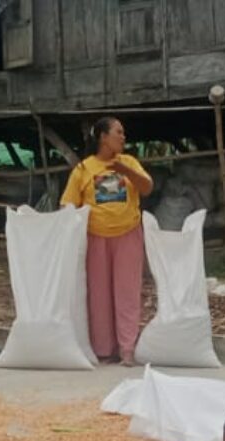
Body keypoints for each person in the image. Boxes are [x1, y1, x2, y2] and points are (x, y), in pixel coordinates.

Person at [60, 116, 152, 367]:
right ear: (103, 137)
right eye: (118, 132)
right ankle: (103, 349)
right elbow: (68, 204)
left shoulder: (129, 162)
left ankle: (127, 350)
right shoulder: (84, 169)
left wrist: (125, 171)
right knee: (99, 295)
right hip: (95, 238)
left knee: (127, 292)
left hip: (128, 234)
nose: (123, 137)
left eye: (123, 133)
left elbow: (147, 188)